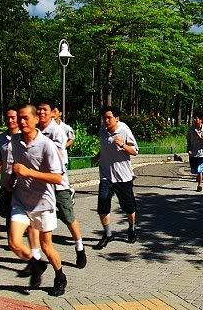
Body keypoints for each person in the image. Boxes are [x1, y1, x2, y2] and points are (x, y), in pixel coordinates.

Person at [7, 104, 68, 296]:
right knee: (14, 243)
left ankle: (60, 276)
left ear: (35, 120)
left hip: (43, 203)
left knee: (47, 247)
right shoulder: (15, 141)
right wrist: (11, 179)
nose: (21, 121)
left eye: (26, 118)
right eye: (19, 117)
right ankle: (36, 264)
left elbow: (57, 178)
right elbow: (16, 166)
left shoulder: (47, 145)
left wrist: (29, 173)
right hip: (21, 201)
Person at [37, 101, 87, 269]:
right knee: (37, 221)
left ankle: (79, 247)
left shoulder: (57, 131)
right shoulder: (36, 130)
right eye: (39, 110)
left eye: (45, 110)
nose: (41, 113)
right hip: (40, 185)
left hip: (58, 184)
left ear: (52, 112)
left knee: (68, 217)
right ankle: (38, 256)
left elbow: (56, 156)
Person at [0, 107, 38, 277]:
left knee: (27, 223)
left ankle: (34, 256)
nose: (10, 121)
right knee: (8, 219)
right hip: (7, 185)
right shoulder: (1, 139)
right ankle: (25, 252)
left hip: (23, 188)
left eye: (13, 117)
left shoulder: (25, 137)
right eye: (8, 118)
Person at [95, 105, 139, 248]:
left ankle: (131, 229)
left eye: (109, 118)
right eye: (104, 118)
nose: (106, 120)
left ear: (117, 118)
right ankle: (108, 234)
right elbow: (105, 147)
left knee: (129, 208)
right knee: (102, 206)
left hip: (123, 177)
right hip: (106, 175)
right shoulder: (102, 129)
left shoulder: (124, 130)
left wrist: (123, 145)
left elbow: (135, 151)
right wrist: (97, 156)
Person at [187, 114, 203, 192]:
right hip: (194, 152)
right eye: (194, 119)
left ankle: (199, 185)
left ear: (200, 120)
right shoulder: (191, 129)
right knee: (194, 170)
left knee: (200, 169)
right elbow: (188, 140)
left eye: (196, 119)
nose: (195, 120)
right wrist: (189, 149)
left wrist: (201, 138)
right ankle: (198, 176)